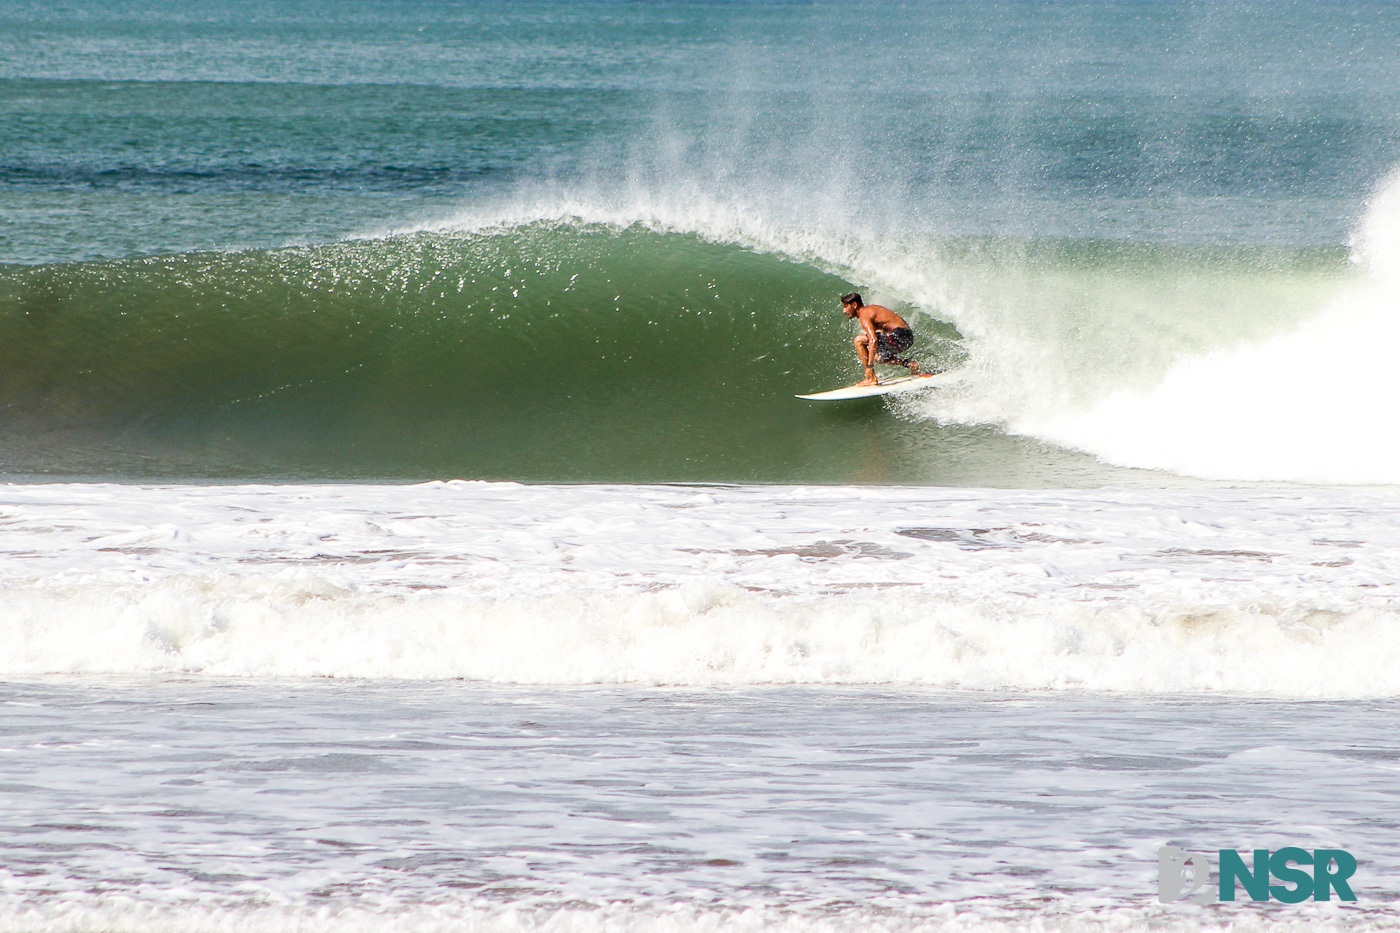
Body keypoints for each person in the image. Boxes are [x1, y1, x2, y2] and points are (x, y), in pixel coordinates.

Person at [841, 292, 919, 386]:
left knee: (858, 340)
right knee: (877, 358)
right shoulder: (871, 310)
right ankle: (911, 364)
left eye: (845, 307)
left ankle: (871, 378)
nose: (844, 311)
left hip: (899, 335)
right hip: (907, 338)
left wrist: (869, 366)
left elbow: (873, 340)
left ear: (854, 305)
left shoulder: (864, 315)